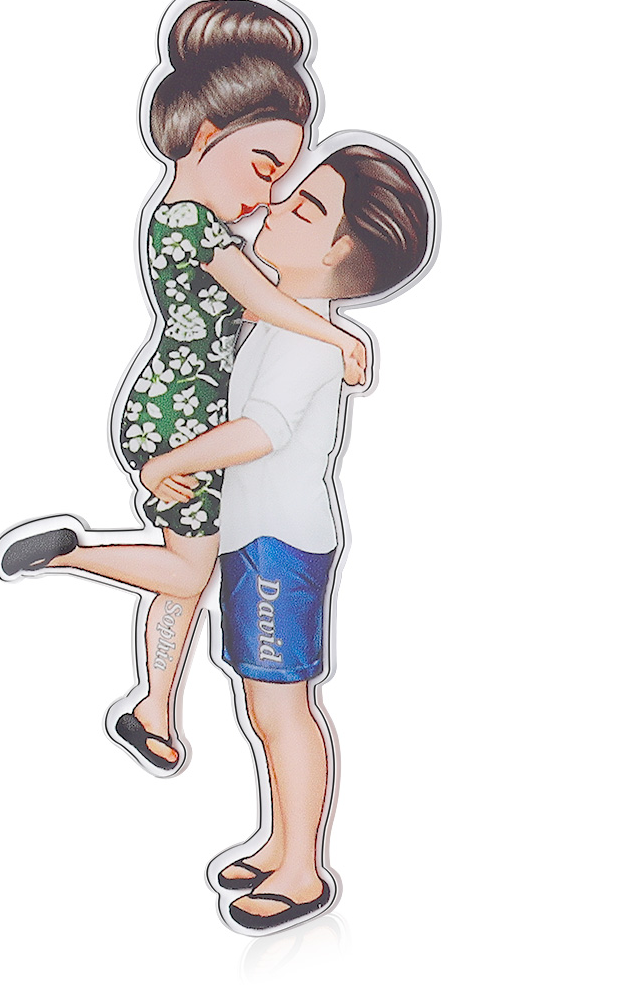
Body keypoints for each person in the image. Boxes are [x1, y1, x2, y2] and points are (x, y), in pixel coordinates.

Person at [0, 0, 365, 772]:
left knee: (183, 579)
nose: (269, 195)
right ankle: (72, 554)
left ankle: (154, 708)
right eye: (263, 167)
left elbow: (256, 300)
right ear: (206, 135)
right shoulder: (192, 225)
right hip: (181, 412)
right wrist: (338, 337)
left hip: (176, 403)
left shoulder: (182, 220)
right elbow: (261, 299)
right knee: (189, 568)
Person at [147, 142, 433, 930]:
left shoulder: (310, 340)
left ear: (339, 252)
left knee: (282, 709)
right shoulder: (287, 321)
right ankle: (281, 844)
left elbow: (262, 431)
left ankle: (303, 870)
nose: (275, 203)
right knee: (264, 705)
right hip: (256, 536)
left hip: (278, 545)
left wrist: (172, 461)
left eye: (305, 207)